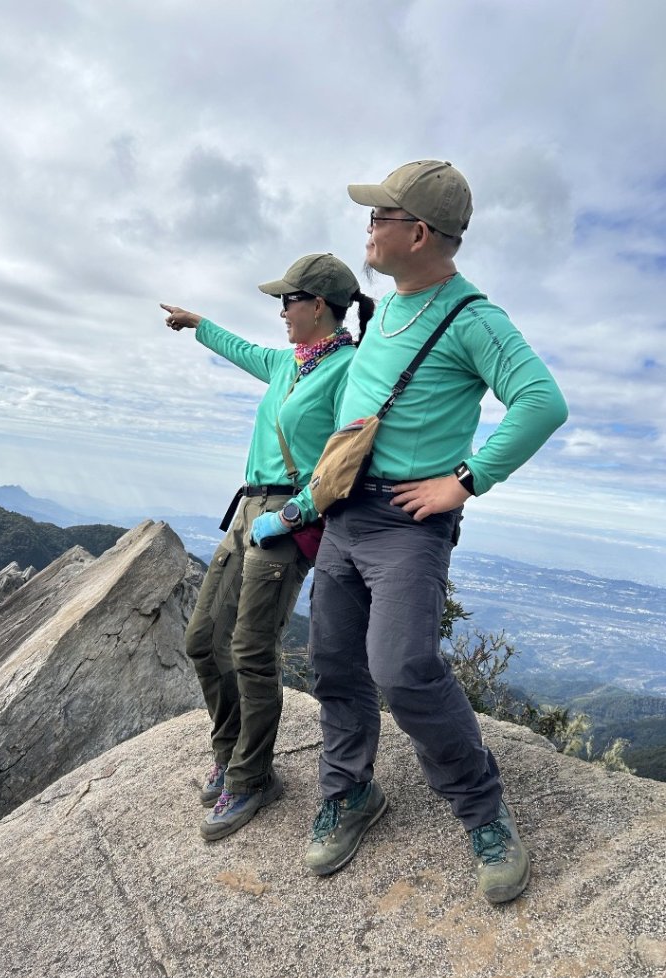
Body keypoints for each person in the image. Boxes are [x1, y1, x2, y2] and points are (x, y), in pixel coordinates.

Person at [252, 161, 568, 904]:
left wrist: (465, 480)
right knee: (334, 663)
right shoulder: (384, 312)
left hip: (406, 524)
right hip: (343, 515)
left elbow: (540, 401)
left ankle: (483, 812)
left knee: (403, 669)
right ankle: (351, 792)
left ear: (418, 232)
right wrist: (306, 501)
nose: (367, 228)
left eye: (378, 217)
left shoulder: (473, 318)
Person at [161, 254, 375, 842]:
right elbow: (241, 350)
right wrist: (195, 322)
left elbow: (345, 463)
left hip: (287, 518)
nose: (280, 310)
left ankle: (252, 778)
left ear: (320, 307)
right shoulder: (288, 363)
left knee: (252, 650)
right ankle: (230, 755)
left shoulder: (351, 370)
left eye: (288, 299)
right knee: (202, 639)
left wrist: (288, 517)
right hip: (247, 510)